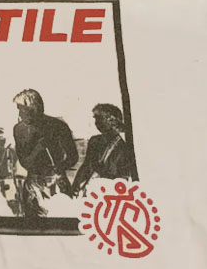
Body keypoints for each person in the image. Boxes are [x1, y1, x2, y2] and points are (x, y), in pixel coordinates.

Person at [11, 89, 78, 217]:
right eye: (19, 109)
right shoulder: (19, 130)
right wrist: (39, 148)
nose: (19, 114)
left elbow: (73, 156)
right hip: (34, 185)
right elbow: (25, 162)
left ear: (33, 109)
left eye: (22, 110)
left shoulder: (58, 126)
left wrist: (59, 168)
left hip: (57, 182)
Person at [72, 103, 137, 193]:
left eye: (99, 118)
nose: (96, 123)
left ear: (111, 120)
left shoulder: (123, 148)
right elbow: (86, 166)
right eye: (96, 119)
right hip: (88, 189)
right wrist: (75, 187)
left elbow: (122, 179)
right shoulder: (94, 141)